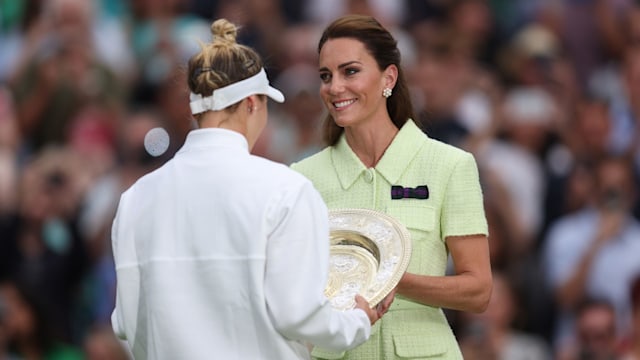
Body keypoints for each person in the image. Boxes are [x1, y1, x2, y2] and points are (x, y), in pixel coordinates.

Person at [110, 18, 382, 360]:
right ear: (253, 103)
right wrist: (357, 322)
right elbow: (298, 314)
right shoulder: (286, 190)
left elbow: (125, 323)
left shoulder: (136, 198)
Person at [290, 14, 492, 359]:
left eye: (350, 71)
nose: (334, 87)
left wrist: (391, 282)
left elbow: (478, 291)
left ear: (389, 77)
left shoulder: (450, 165)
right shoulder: (302, 177)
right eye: (326, 76)